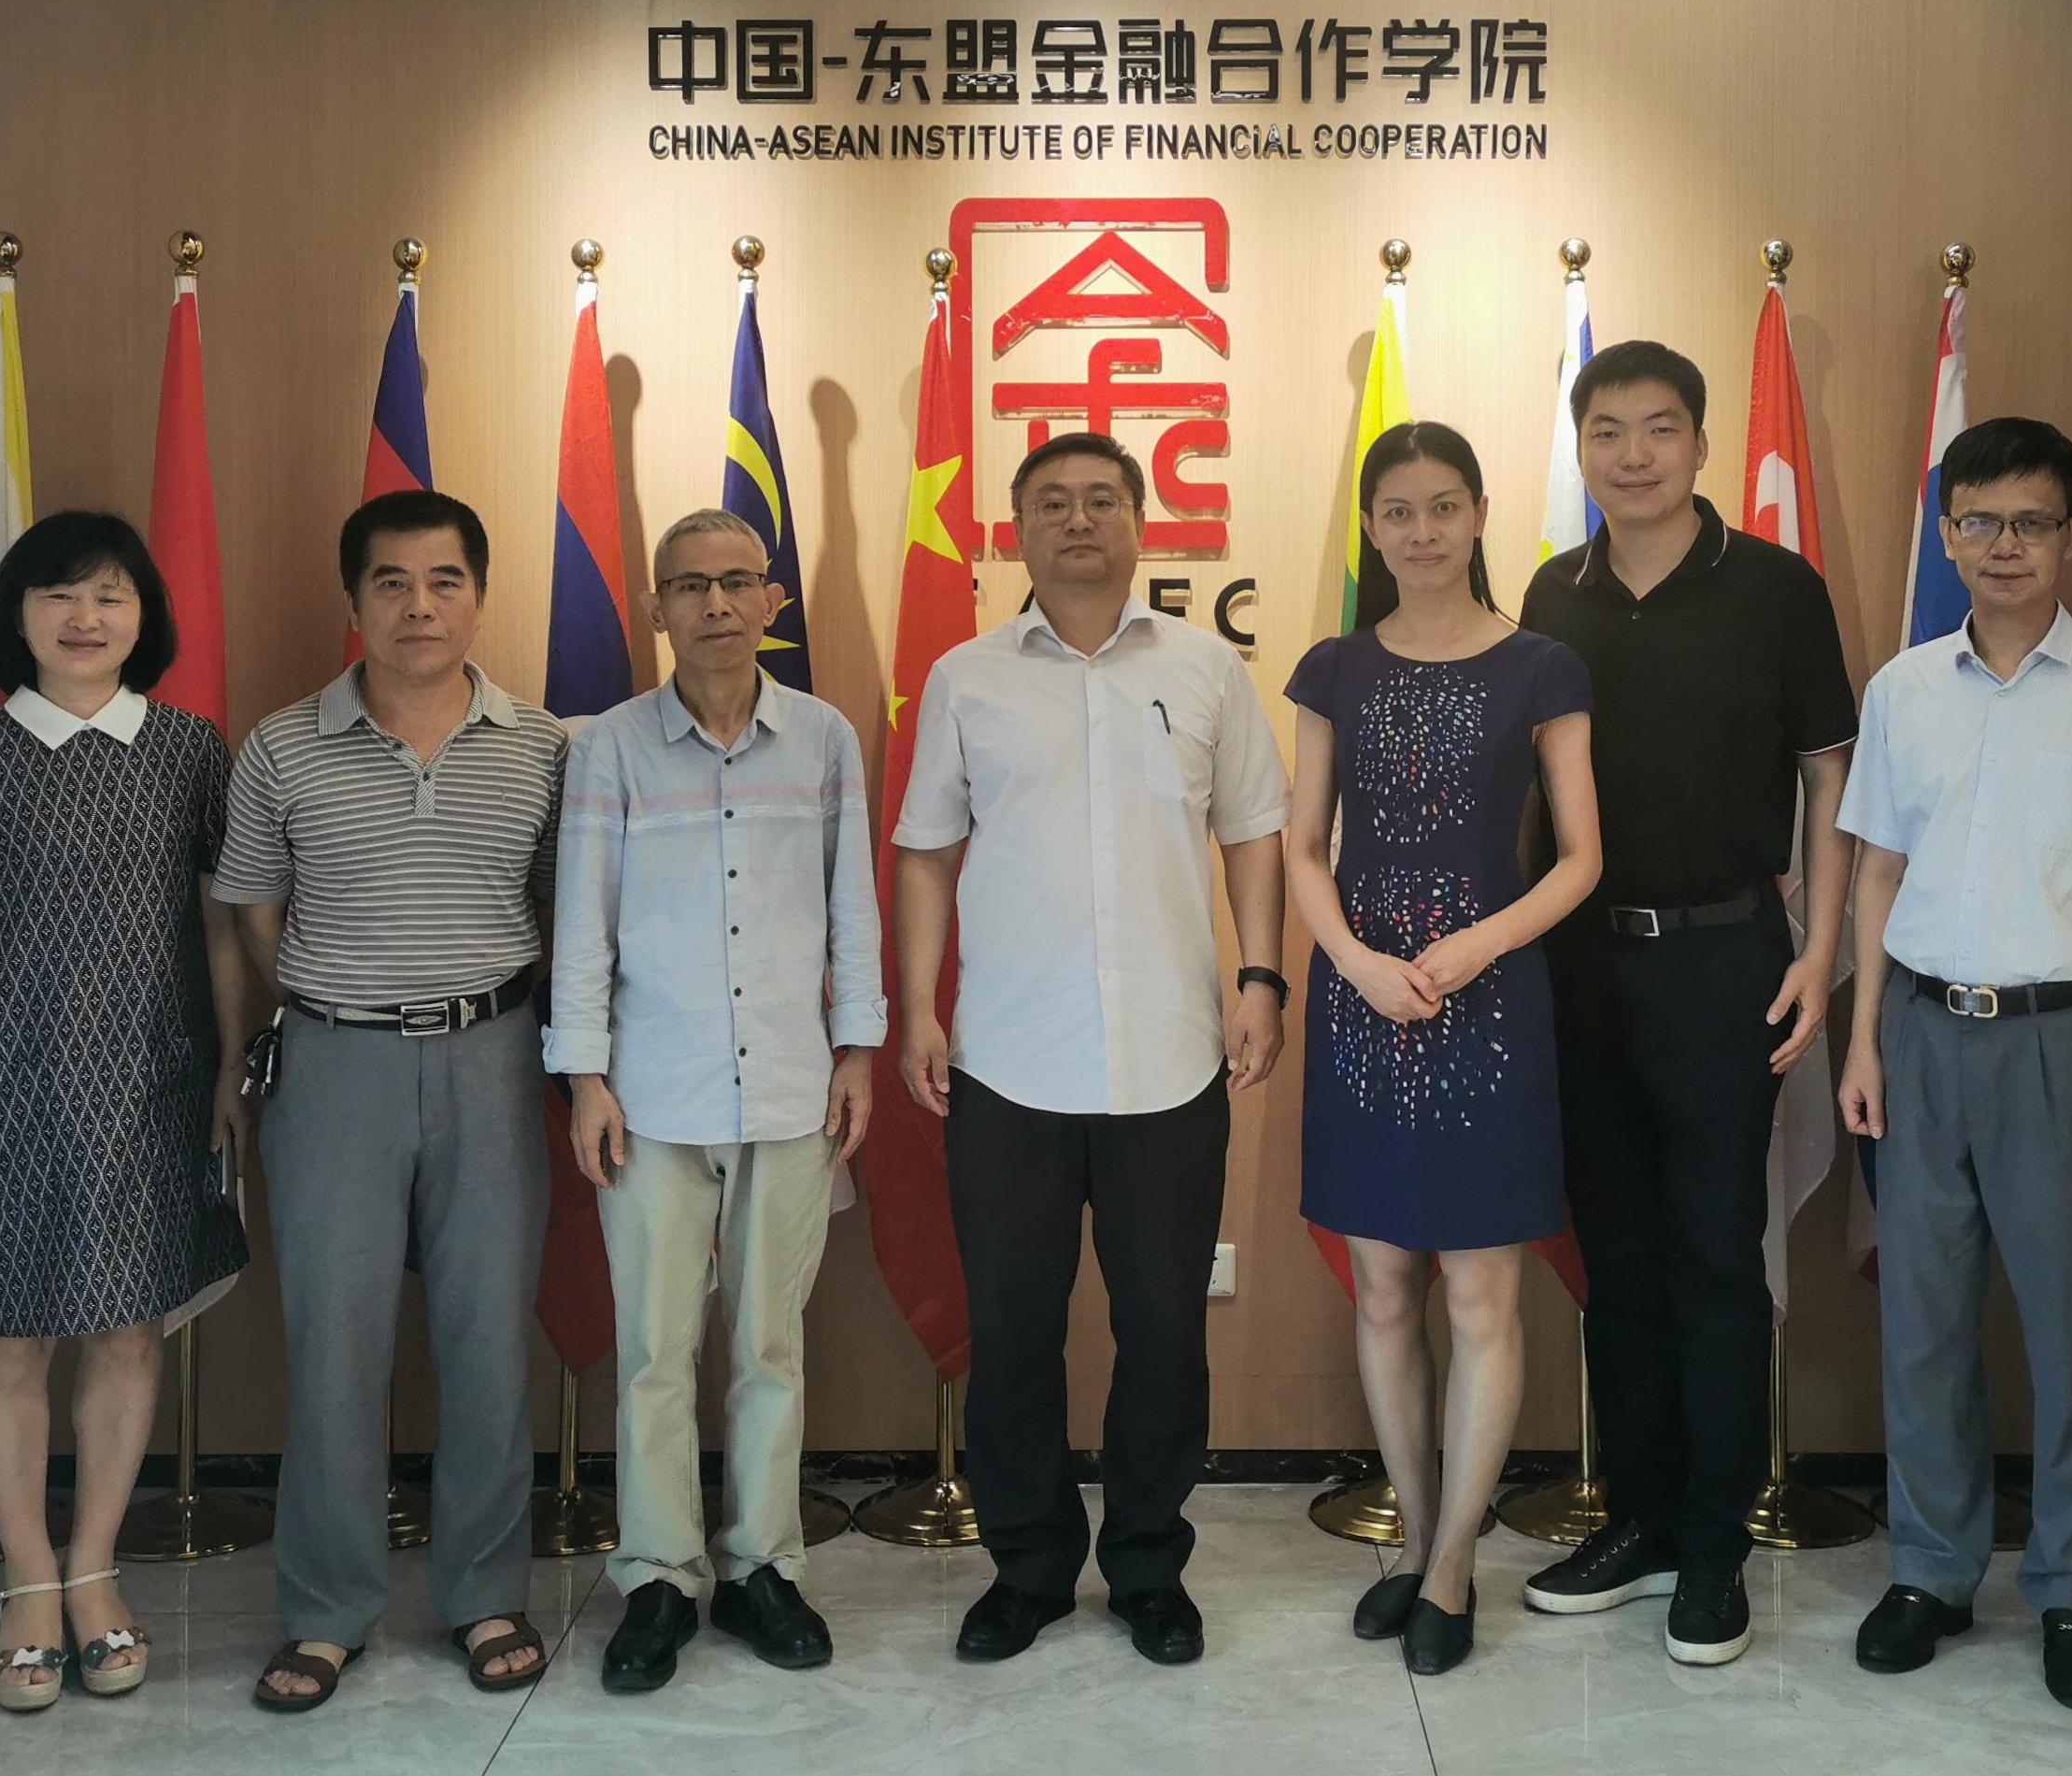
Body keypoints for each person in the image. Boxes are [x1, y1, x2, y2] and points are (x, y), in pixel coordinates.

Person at [892, 431, 1291, 1669]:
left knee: (1163, 1330)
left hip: (1170, 1060)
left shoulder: (1205, 668)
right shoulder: (965, 678)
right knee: (1014, 1334)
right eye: (1053, 502)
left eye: (1102, 499)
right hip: (1007, 1061)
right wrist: (918, 1006)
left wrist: (1261, 976)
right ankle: (1026, 1569)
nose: (1078, 519)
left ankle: (1149, 1567)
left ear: (1139, 521)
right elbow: (926, 850)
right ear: (1015, 529)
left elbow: (1254, 833)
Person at [1836, 416, 2072, 1713]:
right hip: (1919, 1033)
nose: (2005, 545)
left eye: (2031, 521)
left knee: (2067, 1327)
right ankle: (1931, 1570)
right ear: (1947, 535)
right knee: (1922, 1322)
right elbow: (1876, 869)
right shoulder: (1902, 689)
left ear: (2069, 533)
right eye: (1980, 521)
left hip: (2065, 1038)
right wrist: (1863, 1038)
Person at [1515, 341, 1859, 1666]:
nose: (1634, 454)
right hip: (1580, 966)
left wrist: (1818, 949)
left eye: (1660, 428)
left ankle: (1714, 1549)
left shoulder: (1775, 587)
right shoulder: (1553, 592)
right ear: (1582, 449)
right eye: (1607, 430)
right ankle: (1640, 1519)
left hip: (1725, 960)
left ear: (1701, 445)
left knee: (1716, 1255)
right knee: (1616, 1261)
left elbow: (1828, 776)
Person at [0, 509, 250, 1712]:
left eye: (110, 594)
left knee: (130, 1330)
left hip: (150, 1083)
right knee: (5, 1338)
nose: (85, 617)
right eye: (58, 594)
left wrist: (228, 1070)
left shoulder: (192, 751)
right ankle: (28, 1581)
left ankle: (94, 1568)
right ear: (20, 615)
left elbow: (221, 927)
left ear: (145, 616)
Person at [219, 491, 570, 1714]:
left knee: (487, 1341)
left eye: (443, 580)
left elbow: (559, 901)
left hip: (495, 1058)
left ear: (480, 594)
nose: (419, 605)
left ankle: (484, 1593)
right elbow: (252, 912)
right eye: (390, 581)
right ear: (353, 600)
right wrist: (338, 1002)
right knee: (333, 1346)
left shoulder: (543, 746)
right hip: (335, 1064)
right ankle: (326, 1609)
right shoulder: (281, 747)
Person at [550, 508, 885, 1695]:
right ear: (655, 607)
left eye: (739, 581)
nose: (716, 604)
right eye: (689, 585)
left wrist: (858, 1051)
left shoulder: (825, 737)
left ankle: (759, 1565)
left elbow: (854, 906)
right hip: (649, 1093)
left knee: (769, 1344)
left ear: (772, 600)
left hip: (793, 1084)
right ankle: (657, 1574)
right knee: (652, 1348)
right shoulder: (610, 745)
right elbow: (581, 916)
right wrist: (584, 1075)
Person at [1284, 422, 1599, 1676]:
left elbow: (1580, 856)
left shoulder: (1542, 665)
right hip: (1363, 998)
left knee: (1479, 1294)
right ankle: (1416, 1544)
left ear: (1478, 516)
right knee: (1380, 1287)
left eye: (1445, 506)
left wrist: (1477, 944)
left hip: (1489, 998)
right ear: (1372, 528)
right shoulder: (1332, 666)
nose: (1422, 531)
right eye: (1398, 511)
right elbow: (1303, 846)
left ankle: (1457, 1563)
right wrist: (1354, 960)